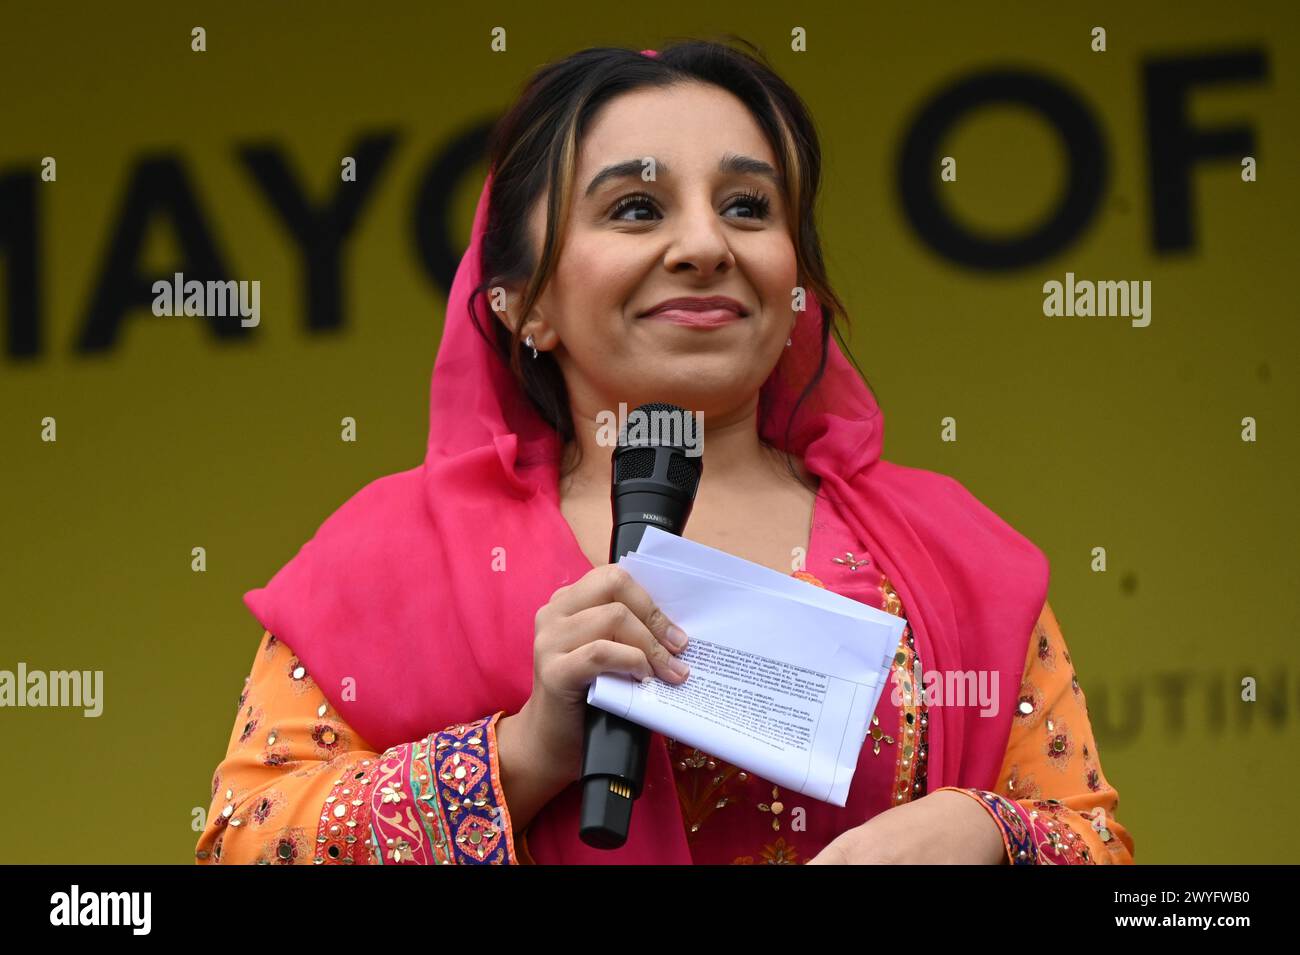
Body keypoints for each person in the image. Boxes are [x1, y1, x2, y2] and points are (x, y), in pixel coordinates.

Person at [195, 40, 1133, 865]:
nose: (703, 243)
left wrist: (981, 832)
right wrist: (524, 755)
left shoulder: (943, 550)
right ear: (521, 305)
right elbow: (246, 836)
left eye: (748, 206)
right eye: (637, 208)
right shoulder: (396, 554)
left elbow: (1097, 844)